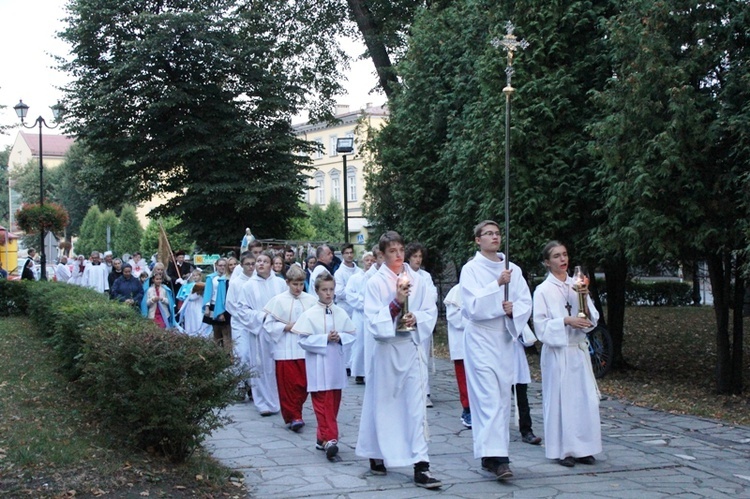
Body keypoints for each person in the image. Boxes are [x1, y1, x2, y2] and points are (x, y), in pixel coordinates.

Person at [355, 231, 442, 490]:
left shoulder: (419, 279)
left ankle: (421, 465)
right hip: (387, 351)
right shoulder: (375, 282)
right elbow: (373, 320)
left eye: (400, 250)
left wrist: (418, 318)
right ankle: (378, 452)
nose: (398, 256)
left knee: (415, 408)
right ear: (381, 255)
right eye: (391, 252)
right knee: (383, 405)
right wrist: (397, 303)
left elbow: (430, 310)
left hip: (411, 349)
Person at [459, 220, 532, 481]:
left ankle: (490, 455)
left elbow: (525, 300)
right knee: (487, 397)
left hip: (503, 339)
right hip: (480, 339)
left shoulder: (513, 269)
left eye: (497, 233)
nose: (494, 237)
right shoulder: (470, 269)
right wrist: (497, 285)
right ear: (477, 240)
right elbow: (471, 307)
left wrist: (515, 310)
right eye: (488, 234)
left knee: (501, 398)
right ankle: (500, 460)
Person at [532, 240, 601, 467]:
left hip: (578, 351)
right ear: (547, 262)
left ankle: (584, 448)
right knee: (561, 401)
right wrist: (564, 321)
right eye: (556, 256)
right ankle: (563, 450)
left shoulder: (577, 284)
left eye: (565, 255)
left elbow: (592, 319)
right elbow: (540, 326)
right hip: (558, 353)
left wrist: (584, 302)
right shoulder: (543, 290)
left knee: (583, 400)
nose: (563, 260)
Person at [296, 273, 355, 462]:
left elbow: (352, 334)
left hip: (335, 365)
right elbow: (303, 340)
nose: (329, 294)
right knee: (323, 404)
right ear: (317, 290)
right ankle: (331, 440)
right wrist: (324, 339)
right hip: (318, 365)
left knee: (334, 403)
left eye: (331, 289)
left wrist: (341, 338)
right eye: (324, 290)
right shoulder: (309, 314)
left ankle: (321, 438)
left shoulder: (340, 312)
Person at [263, 265, 317, 432]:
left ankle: (297, 410)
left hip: (303, 348)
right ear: (287, 283)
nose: (298, 288)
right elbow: (269, 324)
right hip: (284, 347)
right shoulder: (278, 300)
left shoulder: (311, 300)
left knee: (302, 384)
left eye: (301, 284)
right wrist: (285, 327)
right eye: (295, 284)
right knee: (288, 385)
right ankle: (293, 416)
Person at [236, 251, 287, 415]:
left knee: (277, 365)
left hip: (278, 331)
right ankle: (262, 402)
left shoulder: (280, 284)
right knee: (260, 366)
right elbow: (242, 310)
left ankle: (280, 400)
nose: (260, 264)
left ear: (271, 265)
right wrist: (261, 316)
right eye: (258, 261)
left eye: (265, 261)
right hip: (259, 331)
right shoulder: (248, 286)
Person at [405, 242, 438, 407]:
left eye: (420, 257)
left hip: (422, 321)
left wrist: (419, 313)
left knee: (422, 357)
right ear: (409, 258)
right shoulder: (403, 275)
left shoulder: (426, 276)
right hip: (407, 321)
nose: (418, 260)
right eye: (415, 256)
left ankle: (425, 392)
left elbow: (432, 295)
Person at [226, 254, 256, 399]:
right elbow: (230, 305)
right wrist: (244, 317)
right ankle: (240, 384)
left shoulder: (257, 281)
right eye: (247, 264)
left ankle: (252, 385)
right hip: (240, 324)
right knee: (242, 354)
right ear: (242, 266)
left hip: (254, 324)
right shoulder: (236, 283)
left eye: (253, 264)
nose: (251, 267)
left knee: (253, 355)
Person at [444, 283, 471, 428]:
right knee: (464, 379)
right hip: (462, 343)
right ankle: (467, 409)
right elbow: (454, 317)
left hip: (480, 343)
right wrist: (475, 320)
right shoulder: (457, 290)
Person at [345, 251, 374, 385]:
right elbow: (349, 294)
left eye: (371, 260)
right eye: (367, 260)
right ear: (363, 262)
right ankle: (358, 372)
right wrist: (362, 303)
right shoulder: (355, 278)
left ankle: (371, 370)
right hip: (359, 314)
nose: (369, 263)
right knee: (359, 343)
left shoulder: (375, 277)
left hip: (372, 314)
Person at [203, 259, 232, 354]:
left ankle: (227, 353)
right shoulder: (211, 278)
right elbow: (208, 292)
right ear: (216, 265)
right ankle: (216, 353)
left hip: (225, 306)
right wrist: (206, 306)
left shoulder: (228, 278)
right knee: (216, 331)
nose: (222, 267)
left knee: (226, 330)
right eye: (220, 265)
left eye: (224, 265)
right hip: (213, 305)